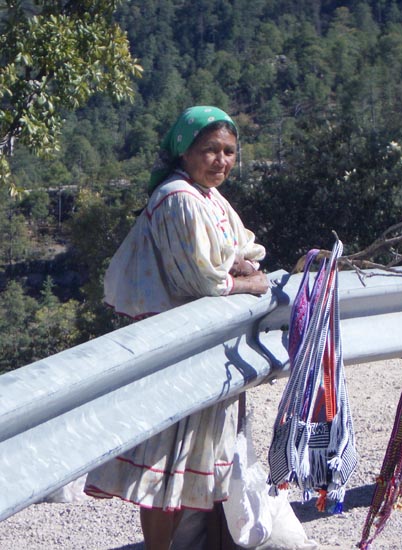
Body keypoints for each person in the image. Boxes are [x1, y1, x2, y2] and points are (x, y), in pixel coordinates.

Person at [84, 106, 269, 550]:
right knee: (165, 463)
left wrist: (240, 265)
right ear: (184, 152)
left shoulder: (209, 198)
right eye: (210, 150)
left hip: (200, 348)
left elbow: (247, 246)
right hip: (172, 350)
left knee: (191, 462)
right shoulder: (177, 199)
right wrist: (248, 279)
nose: (221, 161)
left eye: (228, 151)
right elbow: (203, 281)